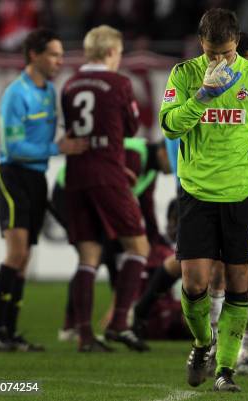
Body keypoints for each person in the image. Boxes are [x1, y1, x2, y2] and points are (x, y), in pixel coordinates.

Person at [159, 9, 248, 392]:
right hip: (197, 193)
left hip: (243, 194)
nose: (221, 61)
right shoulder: (183, 75)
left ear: (237, 43)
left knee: (238, 283)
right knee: (195, 282)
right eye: (214, 54)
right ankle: (202, 344)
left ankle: (226, 369)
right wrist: (202, 96)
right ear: (202, 44)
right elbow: (169, 126)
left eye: (228, 53)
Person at [0, 28, 88, 352]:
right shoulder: (17, 94)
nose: (60, 60)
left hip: (36, 179)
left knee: (25, 257)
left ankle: (9, 333)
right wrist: (57, 148)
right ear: (34, 55)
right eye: (54, 54)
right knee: (16, 254)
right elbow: (13, 146)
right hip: (12, 175)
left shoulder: (48, 93)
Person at [62, 25, 150, 352]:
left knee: (88, 256)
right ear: (112, 52)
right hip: (108, 174)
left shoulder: (69, 84)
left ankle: (85, 336)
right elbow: (131, 126)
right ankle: (117, 323)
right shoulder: (119, 83)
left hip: (75, 175)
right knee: (138, 248)